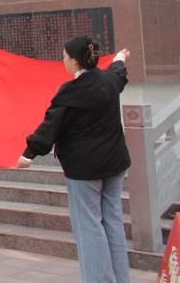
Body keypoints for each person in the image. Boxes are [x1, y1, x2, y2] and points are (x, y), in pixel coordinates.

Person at [17, 38, 132, 283]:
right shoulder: (108, 80)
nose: (63, 60)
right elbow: (119, 73)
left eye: (65, 56)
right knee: (112, 221)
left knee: (89, 225)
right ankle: (121, 279)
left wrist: (29, 153)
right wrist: (120, 58)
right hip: (115, 163)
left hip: (85, 168)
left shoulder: (71, 91)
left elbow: (51, 125)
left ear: (76, 61)